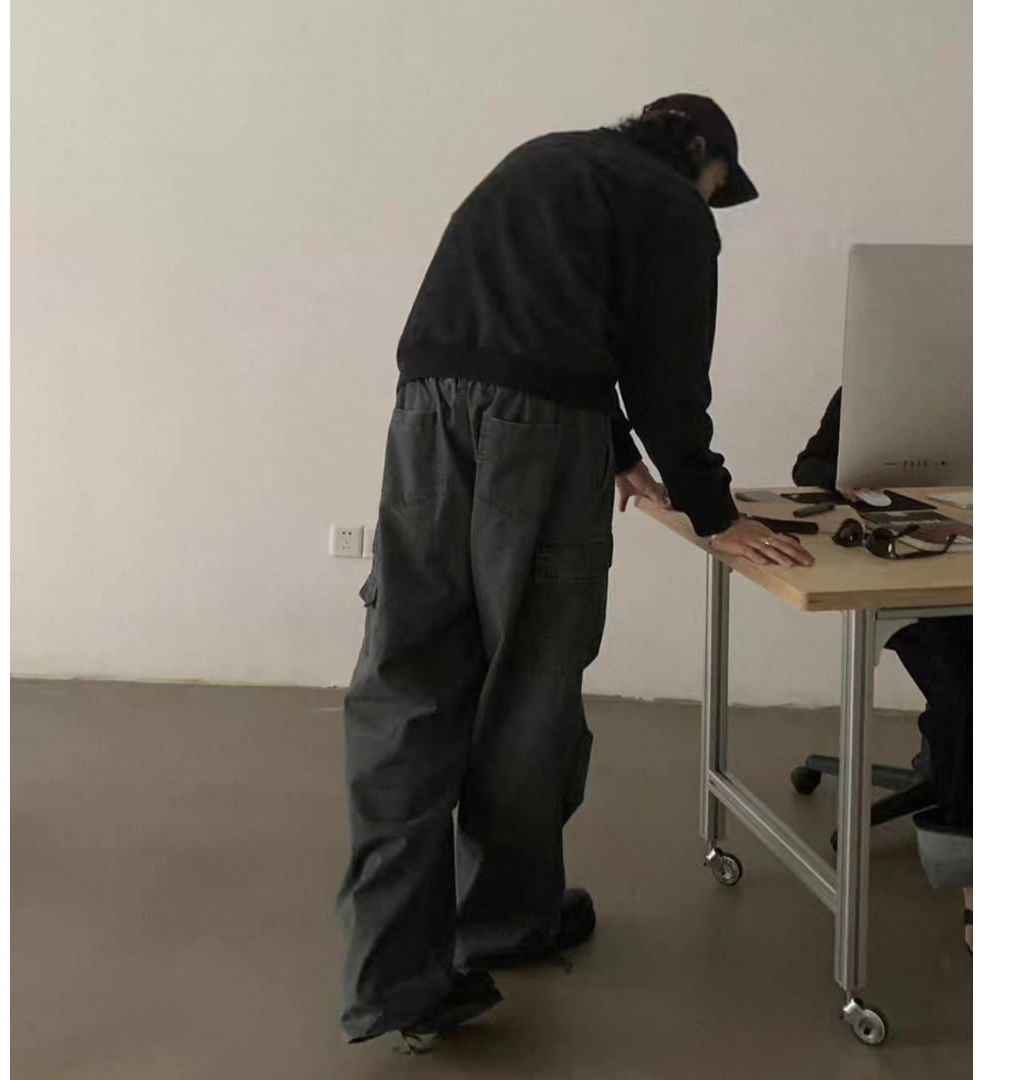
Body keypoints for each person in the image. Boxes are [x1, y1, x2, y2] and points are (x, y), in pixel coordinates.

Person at [338, 93, 816, 1047]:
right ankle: (506, 924)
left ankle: (390, 978)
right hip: (537, 439)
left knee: (407, 688)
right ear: (699, 150)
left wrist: (612, 447)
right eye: (719, 185)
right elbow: (667, 374)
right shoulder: (671, 205)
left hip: (423, 414)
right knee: (531, 687)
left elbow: (535, 324)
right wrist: (714, 514)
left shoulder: (545, 160)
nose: (714, 204)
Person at [794, 388, 972, 950]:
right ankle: (974, 880)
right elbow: (810, 469)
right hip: (912, 582)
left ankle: (954, 766)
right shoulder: (880, 381)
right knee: (970, 687)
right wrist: (845, 484)